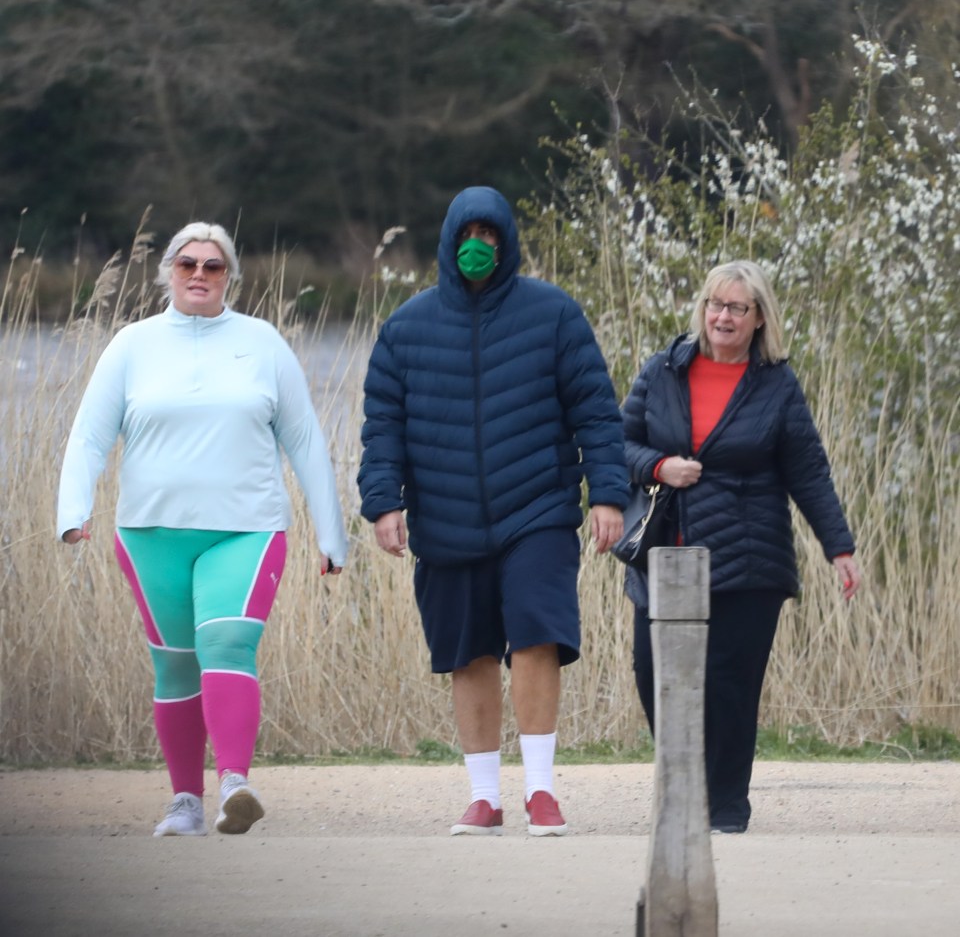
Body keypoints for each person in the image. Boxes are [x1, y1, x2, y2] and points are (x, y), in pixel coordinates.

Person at [57, 221, 348, 837]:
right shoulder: (131, 346)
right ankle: (184, 802)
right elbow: (89, 435)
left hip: (246, 531)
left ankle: (235, 782)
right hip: (149, 534)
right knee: (176, 667)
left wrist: (332, 533)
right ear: (167, 271)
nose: (198, 273)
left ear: (229, 277)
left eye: (213, 266)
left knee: (227, 646)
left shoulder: (262, 343)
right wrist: (72, 511)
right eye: (187, 263)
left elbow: (304, 440)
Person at [358, 186, 629, 837]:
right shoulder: (406, 329)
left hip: (537, 508)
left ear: (507, 242)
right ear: (449, 243)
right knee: (468, 652)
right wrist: (382, 502)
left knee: (538, 634)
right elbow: (382, 426)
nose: (478, 245)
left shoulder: (554, 315)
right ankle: (485, 796)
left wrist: (610, 494)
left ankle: (540, 790)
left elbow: (596, 410)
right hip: (446, 519)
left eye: (491, 234)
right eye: (467, 234)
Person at [622, 259, 862, 834]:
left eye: (737, 308)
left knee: (730, 686)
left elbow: (808, 472)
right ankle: (686, 788)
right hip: (667, 551)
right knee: (652, 672)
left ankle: (725, 808)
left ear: (759, 319)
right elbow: (615, 444)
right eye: (715, 304)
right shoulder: (662, 370)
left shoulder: (776, 384)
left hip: (749, 558)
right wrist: (659, 464)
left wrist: (840, 547)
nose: (723, 317)